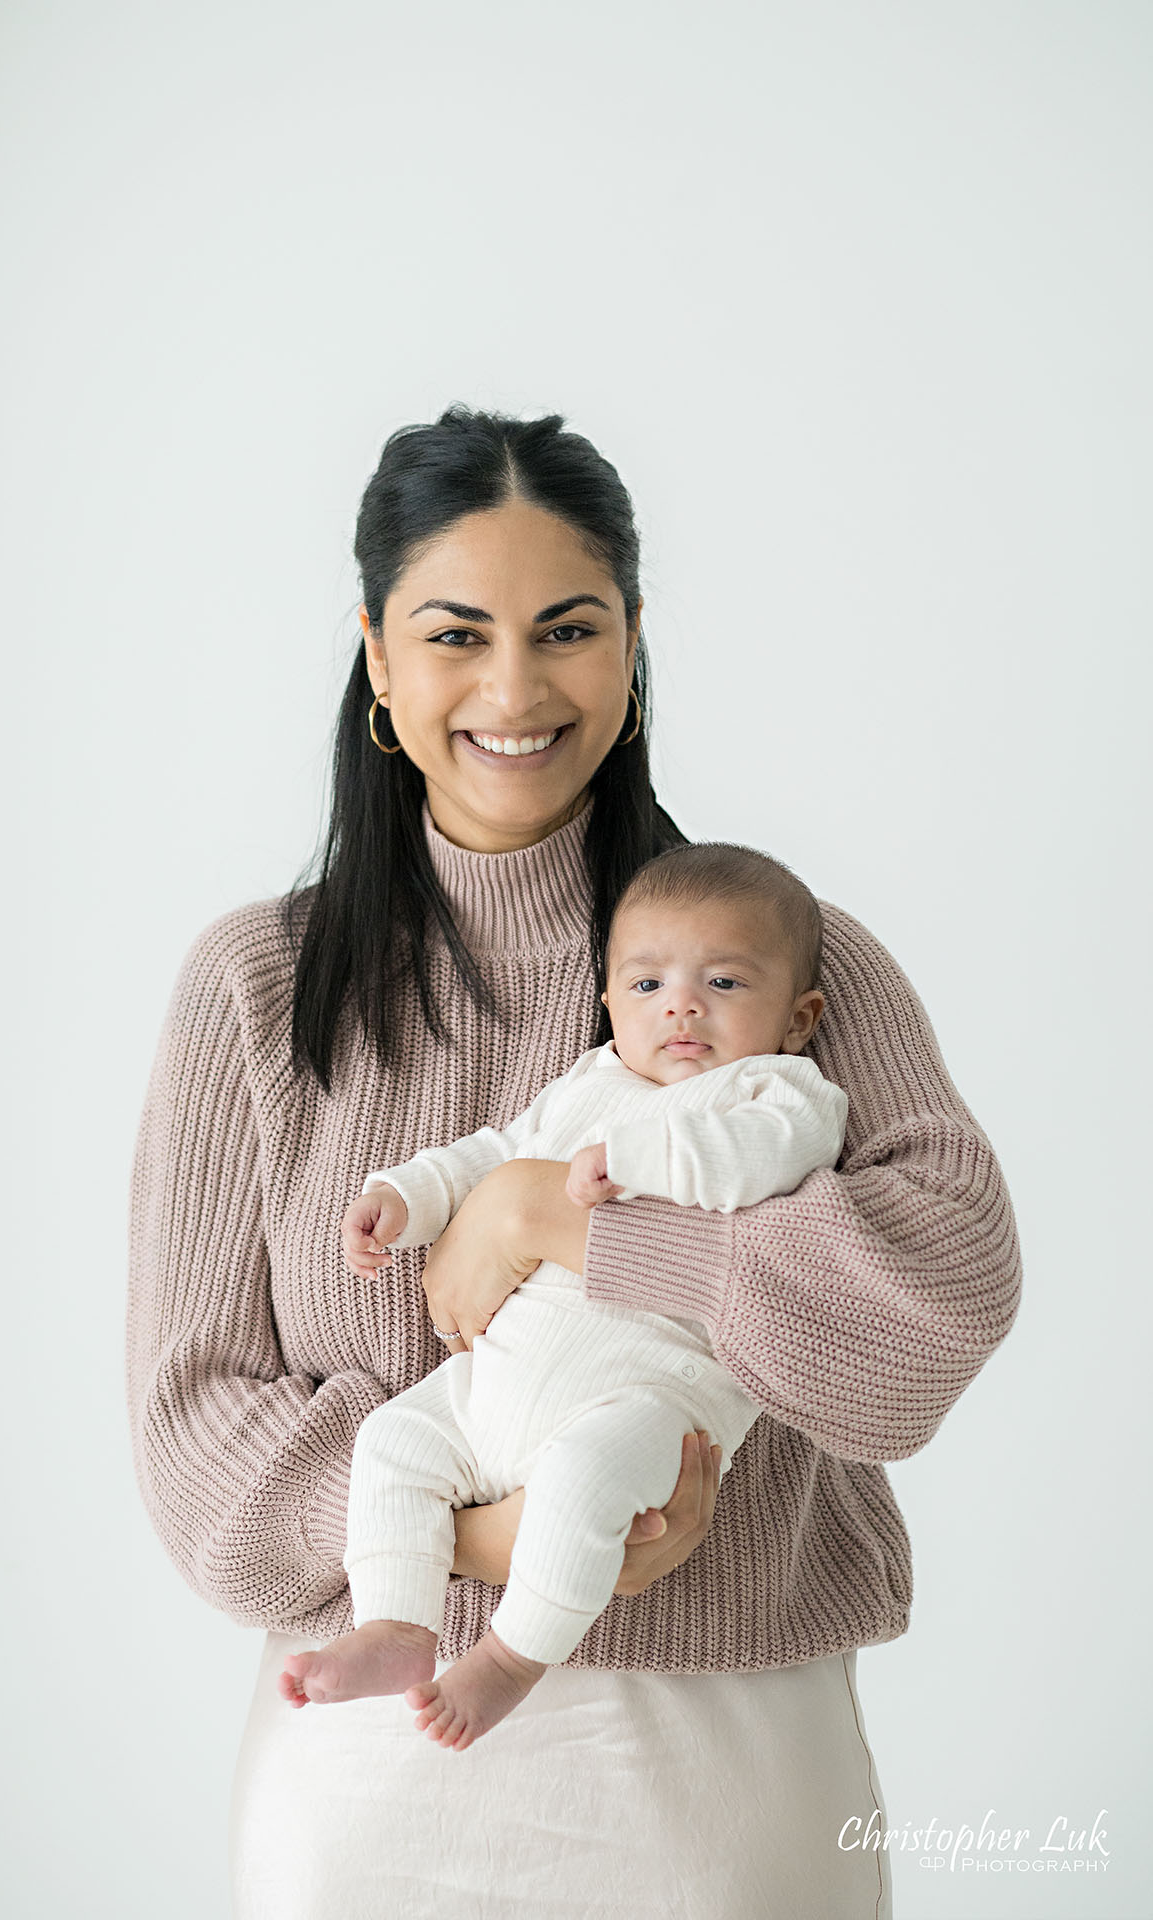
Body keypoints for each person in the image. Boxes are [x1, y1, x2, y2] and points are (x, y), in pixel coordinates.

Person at [125, 404, 1022, 1920]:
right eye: (455, 634)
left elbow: (931, 1312)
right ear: (377, 661)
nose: (514, 688)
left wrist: (568, 1224)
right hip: (369, 1789)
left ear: (632, 644)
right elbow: (194, 1434)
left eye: (567, 629)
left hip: (726, 1776)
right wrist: (510, 1538)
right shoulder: (255, 988)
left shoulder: (773, 964)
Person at [278, 842, 851, 1753]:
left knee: (581, 1481)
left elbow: (754, 1164)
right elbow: (493, 1155)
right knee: (392, 1440)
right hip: (497, 1388)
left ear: (798, 1016)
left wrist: (635, 1160)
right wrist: (408, 1198)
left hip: (653, 1401)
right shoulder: (591, 1085)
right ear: (609, 1005)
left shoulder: (778, 1092)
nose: (683, 1006)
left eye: (726, 984)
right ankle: (396, 1623)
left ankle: (510, 1657)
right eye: (648, 984)